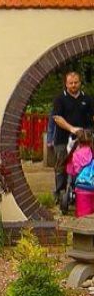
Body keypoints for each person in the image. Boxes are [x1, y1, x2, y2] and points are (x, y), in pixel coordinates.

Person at [52, 71, 94, 202]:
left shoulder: (87, 99)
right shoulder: (60, 99)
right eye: (71, 83)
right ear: (66, 84)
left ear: (80, 83)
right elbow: (57, 118)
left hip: (84, 140)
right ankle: (60, 194)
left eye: (76, 82)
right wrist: (72, 128)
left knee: (84, 165)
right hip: (63, 139)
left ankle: (82, 192)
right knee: (61, 167)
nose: (74, 85)